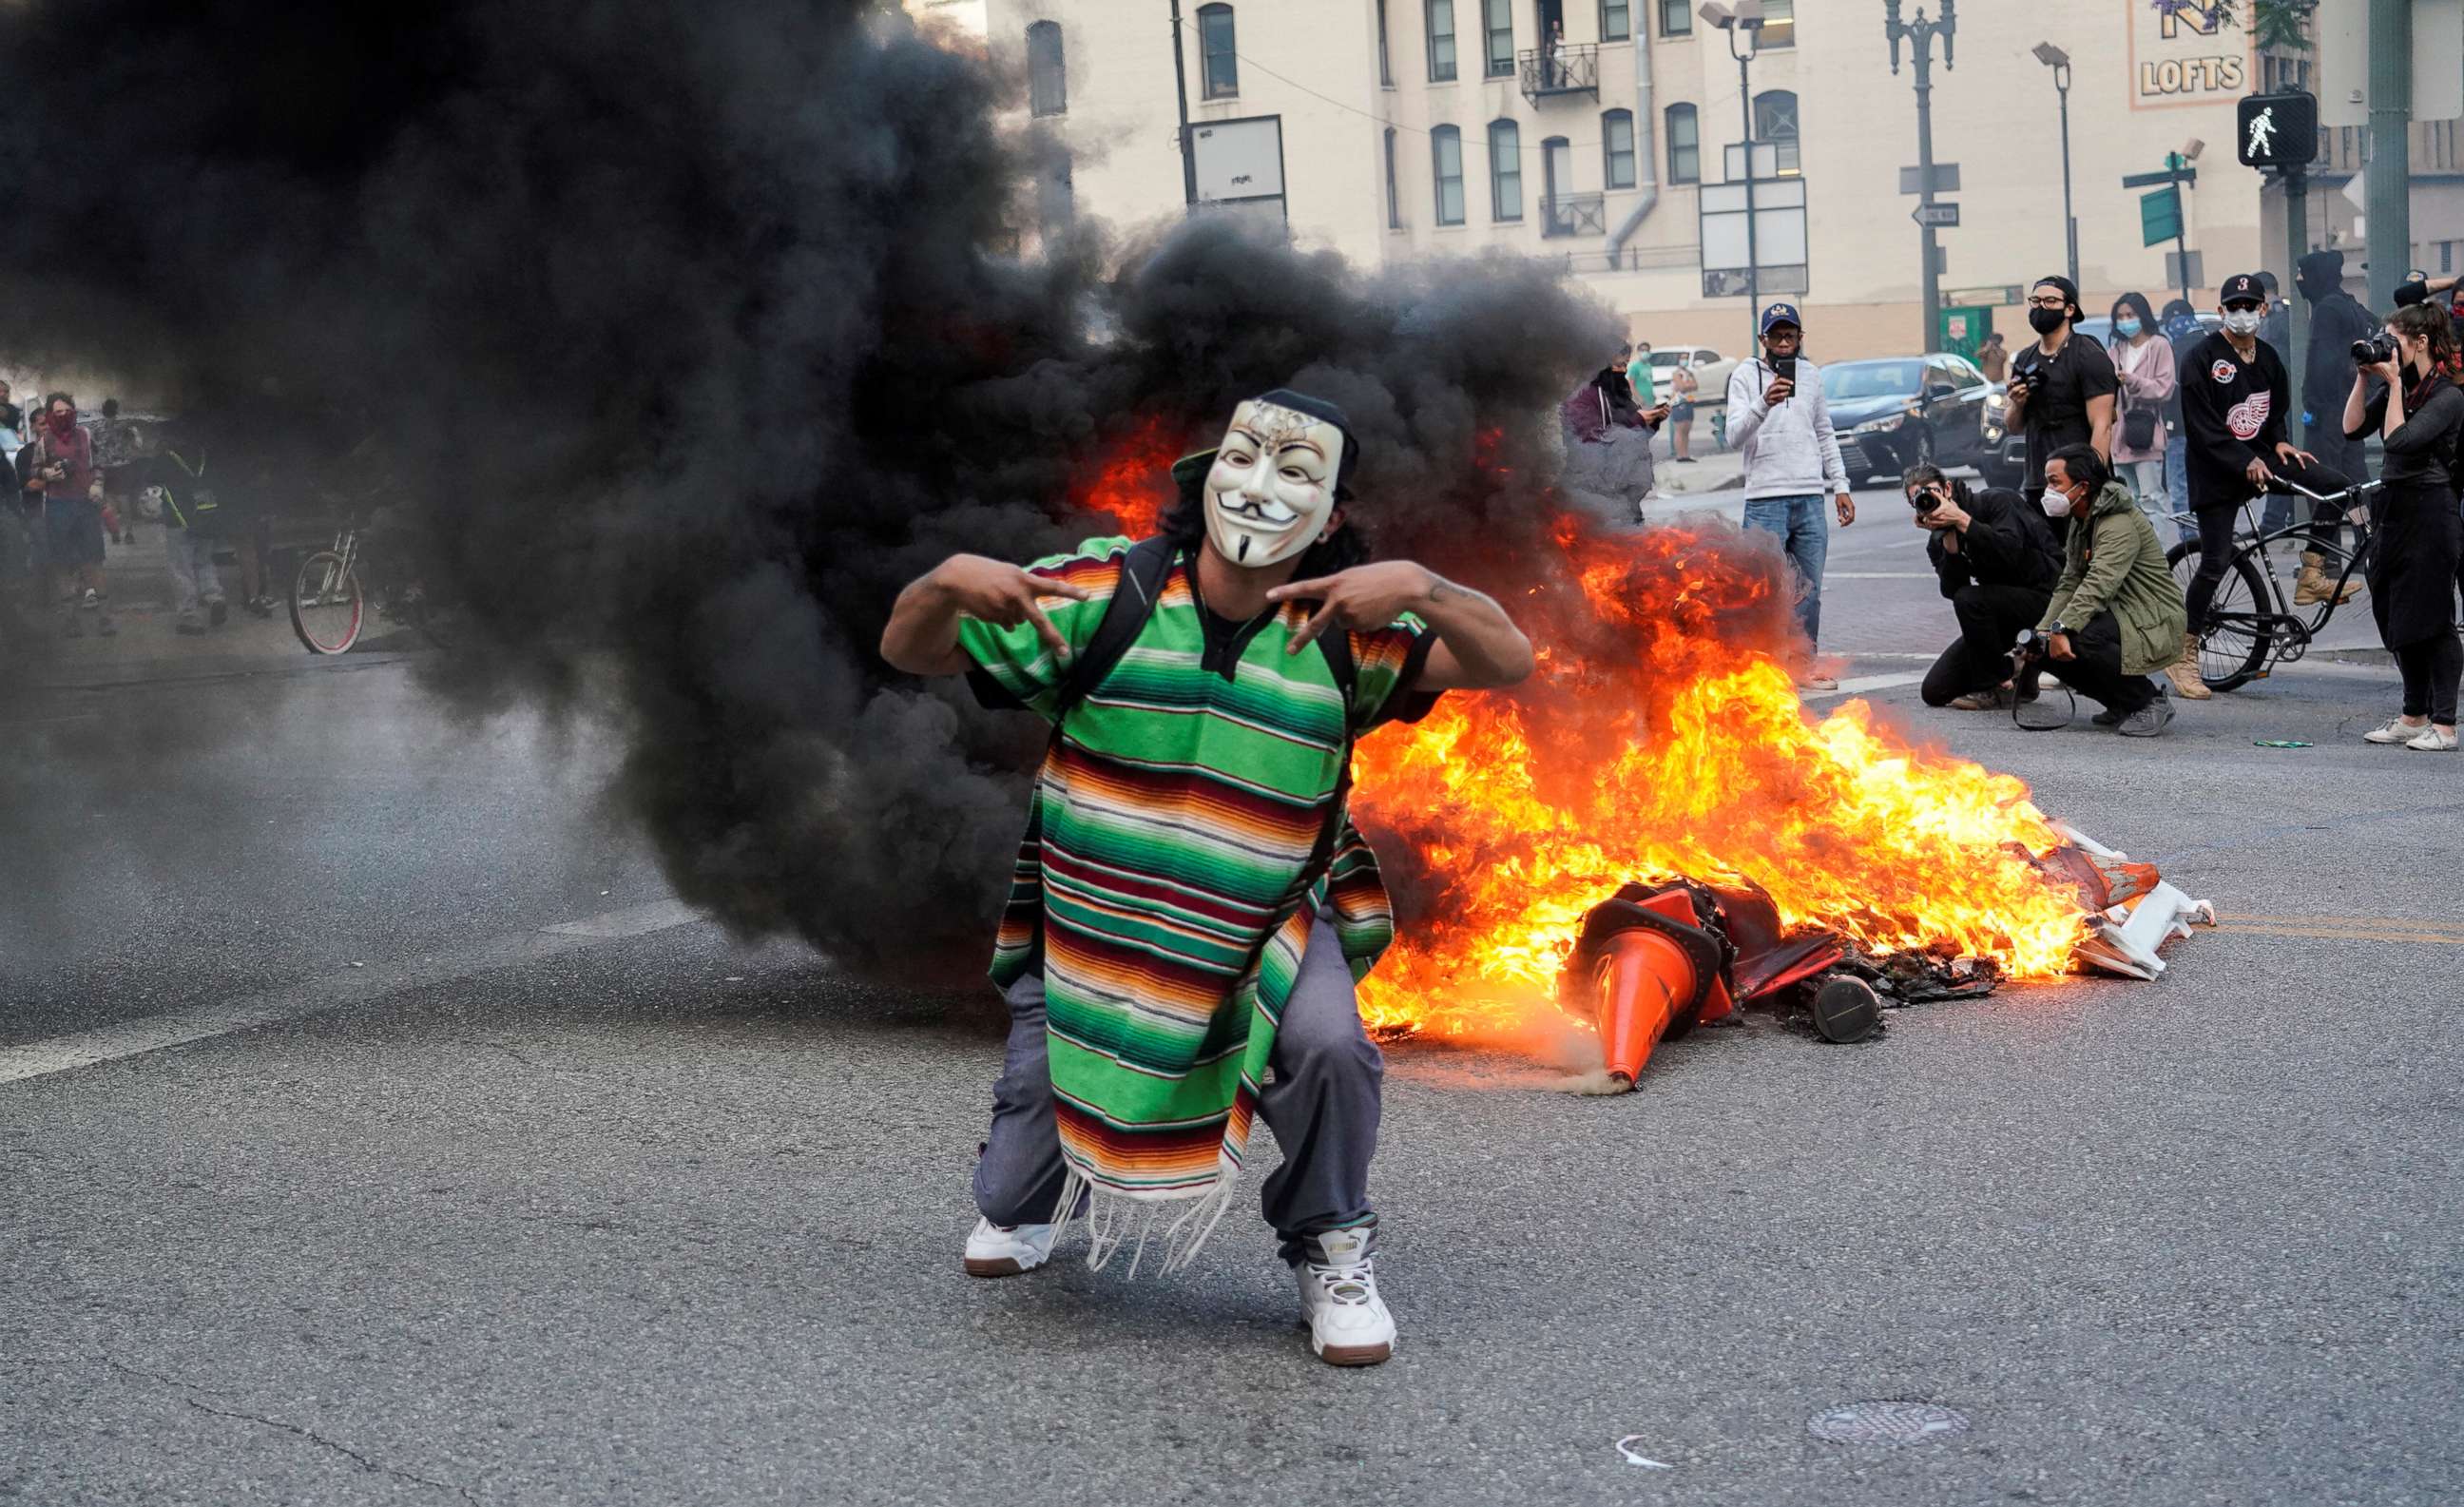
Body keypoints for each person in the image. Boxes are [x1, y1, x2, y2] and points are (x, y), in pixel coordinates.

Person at [879, 389, 1534, 1368]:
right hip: (1096, 939)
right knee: (1002, 1218)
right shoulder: (1104, 592)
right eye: (1245, 458)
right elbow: (908, 648)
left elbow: (1507, 659)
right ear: (1206, 476)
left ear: (1332, 514)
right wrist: (944, 585)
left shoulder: (1345, 628)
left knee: (1331, 1049)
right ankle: (1039, 1183)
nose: (1261, 486)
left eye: (1297, 471)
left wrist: (1423, 586)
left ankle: (1329, 1245)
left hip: (1263, 925)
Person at [2181, 271, 2358, 697]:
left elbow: (2276, 409)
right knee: (2215, 560)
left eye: (2250, 305)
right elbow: (2202, 428)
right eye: (2234, 306)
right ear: (2221, 311)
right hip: (2216, 472)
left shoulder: (2268, 358)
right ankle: (2183, 653)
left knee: (2335, 486)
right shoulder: (2201, 358)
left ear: (2264, 308)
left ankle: (2311, 575)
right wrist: (2243, 460)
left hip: (2263, 460)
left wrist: (2279, 442)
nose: (2243, 314)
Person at [2341, 301, 2463, 751]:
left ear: (2422, 342)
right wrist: (2364, 375)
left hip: (2432, 510)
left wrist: (2392, 383)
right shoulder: (2402, 388)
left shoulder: (2448, 396)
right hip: (2394, 509)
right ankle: (2414, 715)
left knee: (2433, 618)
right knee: (2392, 612)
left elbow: (2399, 440)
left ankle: (2445, 724)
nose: (2387, 348)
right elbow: (2352, 427)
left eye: (2394, 340)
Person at [1725, 301, 1854, 688]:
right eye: (1777, 334)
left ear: (1800, 337)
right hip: (1766, 498)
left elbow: (1825, 432)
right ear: (1763, 339)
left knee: (1808, 591)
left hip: (1809, 496)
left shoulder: (1812, 376)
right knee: (1761, 592)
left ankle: (1802, 665)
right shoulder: (1745, 377)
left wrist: (1841, 485)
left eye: (1791, 334)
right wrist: (1764, 402)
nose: (1784, 341)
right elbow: (1733, 436)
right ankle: (1760, 671)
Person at [2031, 444, 2187, 737]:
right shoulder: (2082, 518)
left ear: (2083, 486)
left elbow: (2098, 584)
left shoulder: (2117, 521)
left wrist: (2062, 627)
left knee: (2084, 637)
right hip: (2121, 611)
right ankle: (2120, 702)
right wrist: (2044, 631)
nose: (2047, 490)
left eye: (2055, 482)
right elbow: (2070, 581)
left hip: (2153, 615)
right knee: (2045, 648)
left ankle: (2149, 701)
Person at [1907, 462, 2063, 710]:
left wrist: (1962, 520)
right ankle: (2019, 671)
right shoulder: (1938, 541)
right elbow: (1952, 591)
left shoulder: (1997, 502)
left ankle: (1993, 686)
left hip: (2047, 598)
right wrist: (1950, 541)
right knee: (1935, 691)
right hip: (2000, 611)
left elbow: (2010, 553)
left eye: (1932, 492)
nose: (1928, 501)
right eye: (1919, 499)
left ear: (1947, 489)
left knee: (1971, 599)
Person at [1999, 274, 2117, 502]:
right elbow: (2013, 427)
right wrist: (2017, 403)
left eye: (2050, 301)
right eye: (2035, 301)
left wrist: (2091, 483)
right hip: (2037, 480)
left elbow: (2102, 427)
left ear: (2069, 309)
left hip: (2077, 482)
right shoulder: (2024, 359)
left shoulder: (2089, 356)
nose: (2041, 307)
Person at [17, 393, 113, 638]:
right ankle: (70, 619)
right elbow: (35, 470)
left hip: (85, 504)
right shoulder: (44, 441)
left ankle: (105, 617)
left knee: (93, 561)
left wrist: (98, 484)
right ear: (51, 415)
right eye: (57, 412)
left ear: (74, 411)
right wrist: (48, 474)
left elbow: (99, 464)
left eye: (66, 411)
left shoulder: (86, 436)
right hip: (58, 507)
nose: (62, 416)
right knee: (61, 563)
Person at [123, 424, 228, 634]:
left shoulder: (165, 459)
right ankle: (214, 597)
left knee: (181, 568)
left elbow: (151, 483)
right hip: (205, 516)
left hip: (178, 520)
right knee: (204, 561)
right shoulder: (202, 454)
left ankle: (189, 616)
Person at [2297, 250, 2378, 487]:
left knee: (2322, 481)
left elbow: (2322, 364)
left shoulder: (2326, 310)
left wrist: (2314, 406)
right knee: (2354, 479)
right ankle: (2364, 522)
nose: (2299, 280)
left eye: (2303, 274)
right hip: (2350, 408)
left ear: (2317, 276)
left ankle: (2326, 524)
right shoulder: (2349, 304)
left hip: (2327, 415)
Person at [2108, 292, 2178, 542]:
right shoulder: (2116, 351)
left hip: (2146, 434)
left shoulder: (2159, 345)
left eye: (2130, 315)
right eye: (2120, 316)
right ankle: (2136, 559)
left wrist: (2132, 381)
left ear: (2142, 316)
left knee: (2151, 499)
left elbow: (2164, 388)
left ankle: (2157, 560)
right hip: (2118, 437)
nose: (2125, 321)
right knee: (2127, 503)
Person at [1562, 358, 1665, 521]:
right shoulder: (1584, 395)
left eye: (1625, 365)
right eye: (1618, 365)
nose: (1623, 370)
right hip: (1600, 484)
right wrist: (1639, 419)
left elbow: (1636, 434)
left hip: (1623, 484)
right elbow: (1592, 436)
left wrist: (1653, 420)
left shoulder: (1614, 392)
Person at [2158, 298, 2204, 523]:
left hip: (2180, 428)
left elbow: (2167, 391)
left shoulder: (2175, 350)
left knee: (2182, 489)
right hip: (2212, 430)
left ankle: (2190, 541)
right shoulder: (2212, 343)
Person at [1665, 359, 1698, 463]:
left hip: (1689, 401)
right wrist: (1688, 385)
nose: (1685, 361)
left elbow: (1695, 385)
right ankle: (1680, 455)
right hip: (1679, 403)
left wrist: (1688, 385)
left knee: (1687, 429)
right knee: (1680, 429)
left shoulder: (1689, 373)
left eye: (1686, 358)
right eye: (1682, 358)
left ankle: (1685, 454)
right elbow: (1682, 388)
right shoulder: (1676, 373)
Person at [1626, 339, 1657, 408]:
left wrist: (1653, 395)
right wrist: (1639, 398)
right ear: (1638, 352)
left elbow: (1649, 382)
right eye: (1642, 350)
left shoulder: (1649, 366)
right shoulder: (1635, 367)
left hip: (1650, 401)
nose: (1645, 352)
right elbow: (1631, 385)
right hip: (1641, 402)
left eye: (1647, 350)